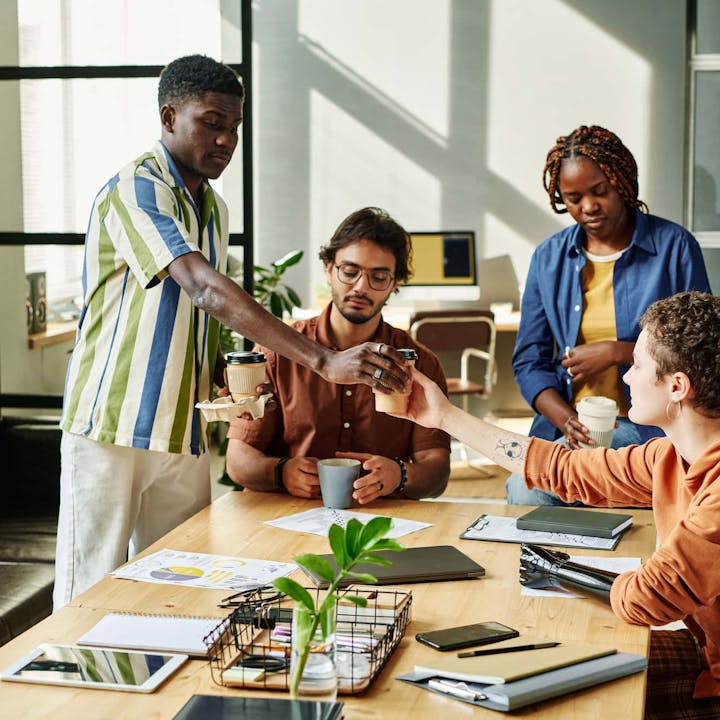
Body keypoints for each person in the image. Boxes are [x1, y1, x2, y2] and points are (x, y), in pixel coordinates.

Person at [54, 56, 408, 608]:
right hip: (112, 426)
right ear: (170, 116)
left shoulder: (213, 209)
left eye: (234, 127)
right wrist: (321, 360)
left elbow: (201, 319)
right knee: (89, 587)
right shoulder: (136, 189)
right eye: (211, 122)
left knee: (179, 582)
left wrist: (242, 385)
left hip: (184, 427)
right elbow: (205, 289)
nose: (225, 139)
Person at [393, 291, 720, 719]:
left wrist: (556, 571)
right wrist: (444, 416)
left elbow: (647, 598)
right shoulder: (668, 457)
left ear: (677, 387)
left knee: (547, 693)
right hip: (703, 646)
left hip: (711, 676)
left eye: (637, 366)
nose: (625, 378)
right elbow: (562, 469)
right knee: (526, 660)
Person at [507, 124, 711, 506]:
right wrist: (566, 420)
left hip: (649, 428)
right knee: (523, 489)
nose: (588, 207)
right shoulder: (549, 258)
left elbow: (702, 352)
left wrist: (619, 352)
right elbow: (529, 360)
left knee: (560, 487)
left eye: (599, 191)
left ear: (622, 181)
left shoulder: (674, 247)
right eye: (572, 198)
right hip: (569, 426)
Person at [225, 207, 451, 502]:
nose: (360, 287)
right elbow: (238, 460)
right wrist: (280, 472)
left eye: (379, 277)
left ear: (395, 285)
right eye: (349, 271)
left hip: (384, 520)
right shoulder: (277, 353)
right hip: (288, 518)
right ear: (329, 270)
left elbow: (437, 471)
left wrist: (399, 475)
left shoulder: (419, 364)